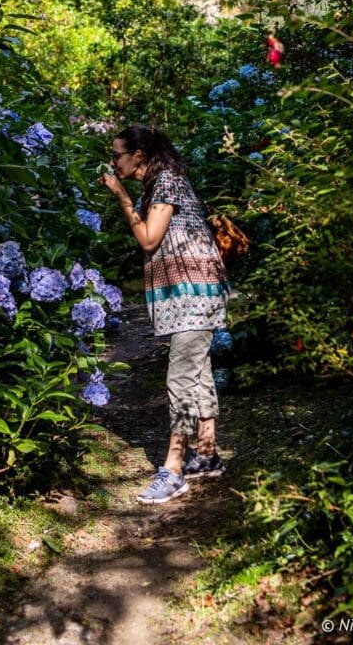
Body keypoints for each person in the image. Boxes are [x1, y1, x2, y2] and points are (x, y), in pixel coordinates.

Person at [99, 124, 229, 504]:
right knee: (197, 371)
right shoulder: (158, 184)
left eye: (117, 154)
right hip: (186, 291)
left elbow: (149, 238)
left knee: (181, 376)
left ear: (138, 156)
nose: (113, 161)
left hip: (194, 291)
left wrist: (120, 196)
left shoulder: (167, 182)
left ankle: (173, 469)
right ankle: (205, 456)